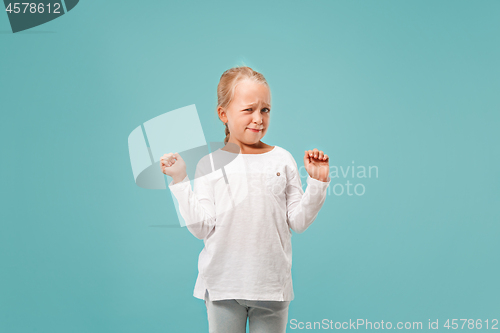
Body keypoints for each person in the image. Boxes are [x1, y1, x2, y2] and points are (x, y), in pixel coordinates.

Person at [160, 66, 331, 333]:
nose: (258, 118)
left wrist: (317, 183)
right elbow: (201, 228)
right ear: (223, 114)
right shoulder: (210, 164)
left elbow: (297, 222)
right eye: (248, 109)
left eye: (265, 110)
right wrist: (180, 181)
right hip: (223, 287)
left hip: (272, 288)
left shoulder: (282, 159)